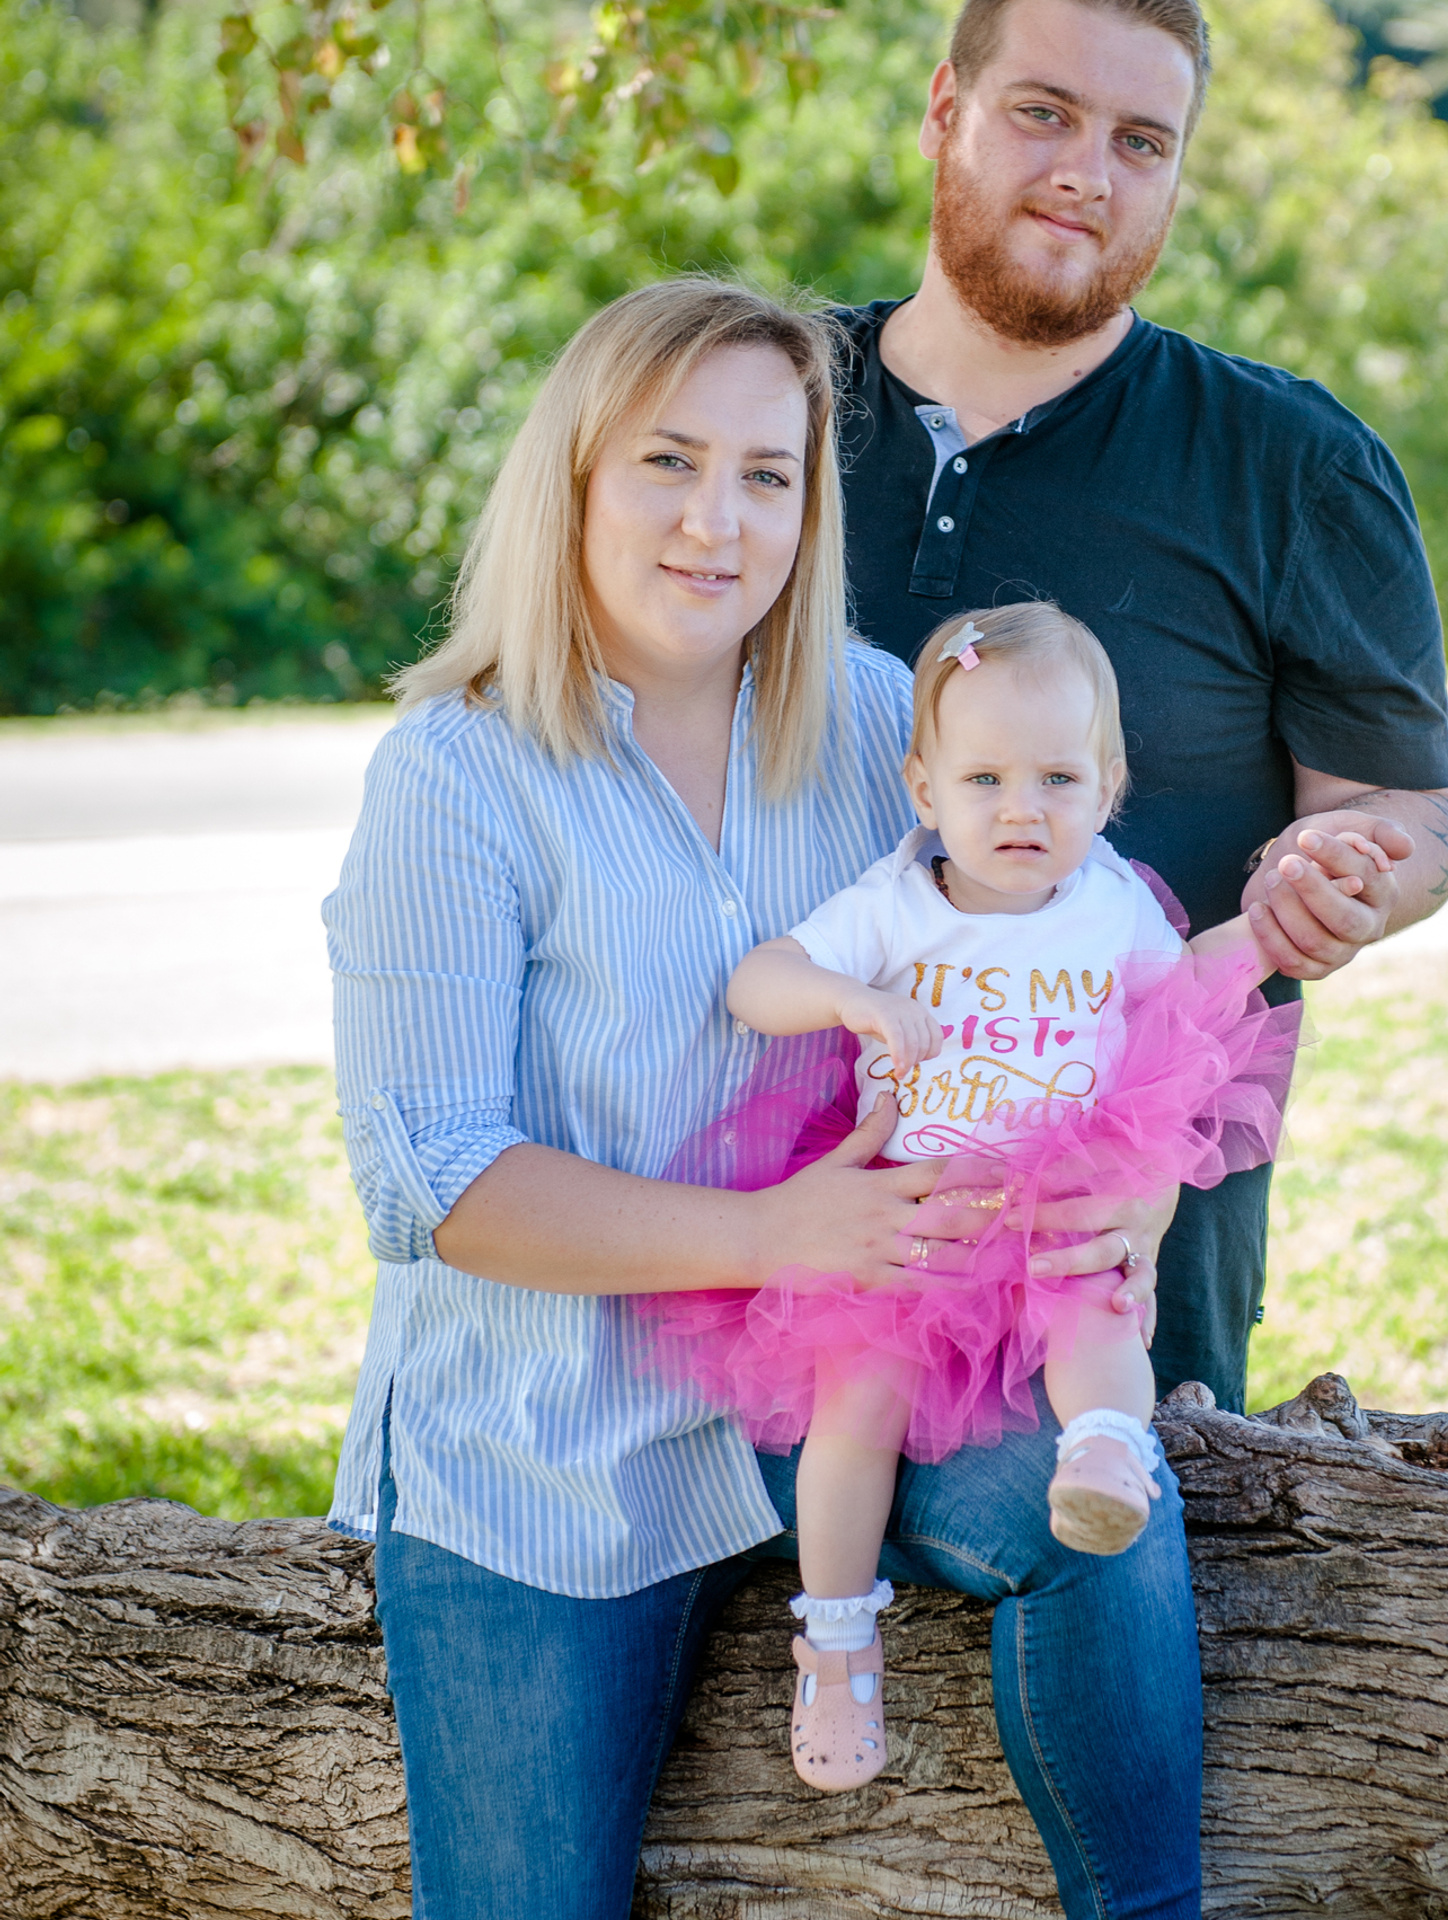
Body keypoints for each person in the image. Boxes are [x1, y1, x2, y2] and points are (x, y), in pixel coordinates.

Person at [322, 277, 1205, 1920]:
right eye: (668, 461)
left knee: (1104, 1505)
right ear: (574, 478)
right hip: (549, 1450)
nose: (716, 522)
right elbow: (430, 1180)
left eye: (768, 475)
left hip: (849, 1376)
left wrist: (1133, 1186)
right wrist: (773, 1232)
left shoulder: (883, 723)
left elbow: (1082, 956)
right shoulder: (454, 777)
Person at [833, 0, 1448, 1415]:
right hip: (759, 1245)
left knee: (1103, 1538)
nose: (1087, 173)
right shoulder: (760, 412)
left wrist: (1350, 872)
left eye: (1141, 140)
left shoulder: (1291, 465)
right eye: (1043, 113)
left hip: (1110, 1272)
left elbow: (1415, 810)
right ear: (944, 110)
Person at [641, 602, 1319, 1791]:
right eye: (986, 779)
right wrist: (850, 999)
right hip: (915, 1225)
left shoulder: (1112, 902)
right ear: (925, 786)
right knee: (857, 1408)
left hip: (1056, 1202)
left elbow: (1184, 991)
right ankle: (836, 1640)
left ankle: (1105, 1453)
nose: (1022, 810)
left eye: (1059, 779)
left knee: (1101, 1307)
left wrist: (1266, 933)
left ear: (1107, 788)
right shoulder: (896, 906)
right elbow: (758, 981)